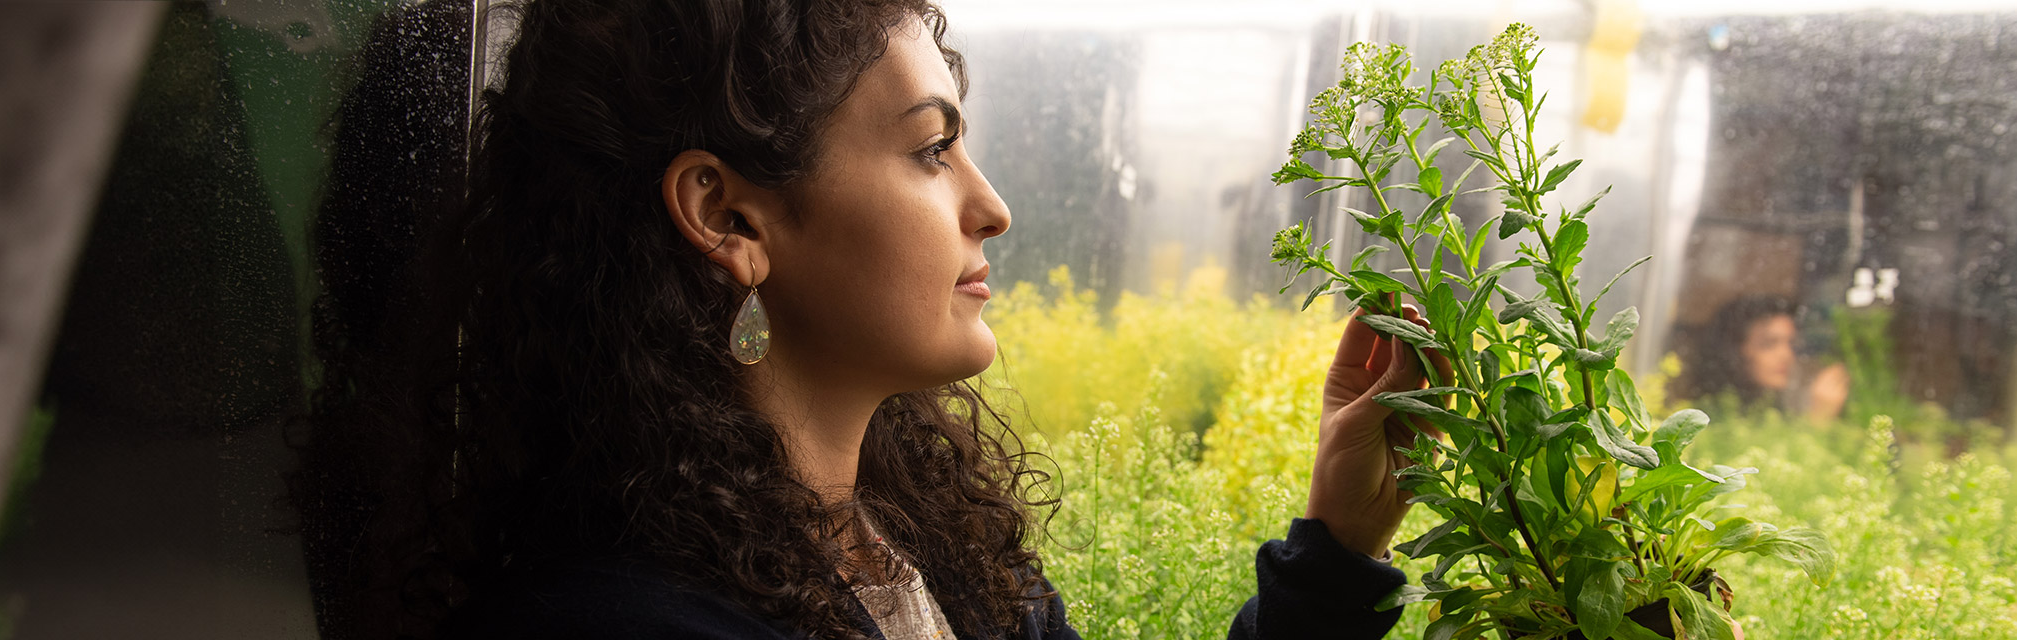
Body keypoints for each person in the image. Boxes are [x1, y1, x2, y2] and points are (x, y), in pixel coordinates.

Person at [291, 1, 1438, 638]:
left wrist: (1335, 545)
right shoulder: (620, 626)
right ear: (726, 212)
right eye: (930, 149)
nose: (990, 205)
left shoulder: (918, 544)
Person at [1666, 295, 1847, 422]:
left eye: (1792, 344)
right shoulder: (1709, 417)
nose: (1787, 356)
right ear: (1734, 351)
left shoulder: (1770, 413)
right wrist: (1818, 420)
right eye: (1768, 344)